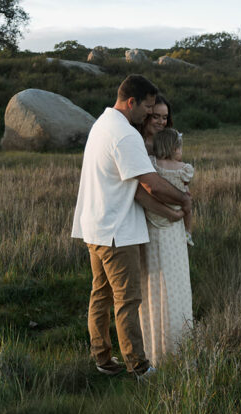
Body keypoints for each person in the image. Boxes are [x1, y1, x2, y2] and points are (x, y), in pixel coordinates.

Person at [71, 75, 192, 379]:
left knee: (101, 295)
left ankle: (102, 358)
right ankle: (139, 366)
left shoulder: (102, 123)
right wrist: (183, 201)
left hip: (95, 225)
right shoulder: (125, 135)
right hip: (116, 229)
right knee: (128, 300)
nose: (149, 113)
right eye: (147, 107)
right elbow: (150, 184)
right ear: (131, 102)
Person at [139, 128, 194, 365]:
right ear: (174, 148)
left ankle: (152, 347)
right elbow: (186, 193)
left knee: (153, 282)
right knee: (175, 281)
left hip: (152, 223)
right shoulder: (183, 169)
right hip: (174, 228)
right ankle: (177, 346)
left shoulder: (151, 164)